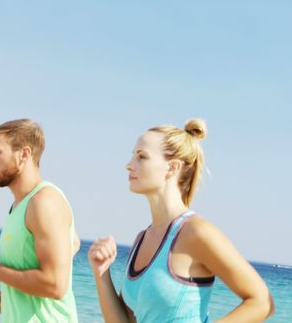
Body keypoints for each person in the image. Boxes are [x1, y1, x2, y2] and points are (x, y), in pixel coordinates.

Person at [88, 118, 273, 322]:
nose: (129, 165)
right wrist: (102, 273)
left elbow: (261, 302)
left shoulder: (196, 232)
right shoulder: (142, 238)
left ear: (172, 168)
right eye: (132, 156)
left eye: (141, 157)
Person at [0, 119, 81, 322]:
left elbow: (56, 285)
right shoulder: (22, 205)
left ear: (24, 154)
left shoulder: (44, 202)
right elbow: (72, 242)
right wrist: (16, 288)